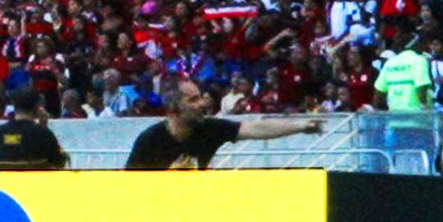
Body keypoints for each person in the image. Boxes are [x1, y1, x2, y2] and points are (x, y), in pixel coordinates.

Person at [125, 77, 322, 170]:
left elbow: (255, 128)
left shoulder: (209, 129)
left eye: (201, 97)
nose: (202, 104)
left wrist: (301, 125)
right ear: (173, 108)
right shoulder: (150, 141)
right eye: (193, 100)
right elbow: (129, 187)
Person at [0, 89, 70, 170]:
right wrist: (44, 127)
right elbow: (59, 162)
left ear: (14, 107)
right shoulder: (42, 133)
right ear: (36, 108)